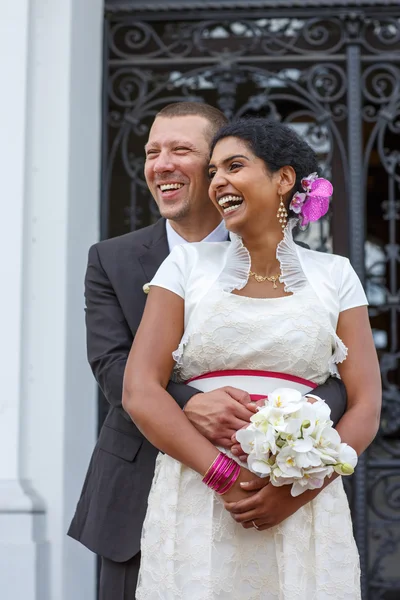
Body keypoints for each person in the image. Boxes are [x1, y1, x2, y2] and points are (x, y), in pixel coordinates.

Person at [68, 104, 348, 599]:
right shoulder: (111, 259)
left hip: (280, 484)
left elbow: (326, 367)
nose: (161, 165)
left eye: (182, 150)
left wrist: (293, 433)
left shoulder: (308, 265)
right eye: (153, 152)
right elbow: (112, 367)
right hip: (143, 489)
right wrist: (191, 404)